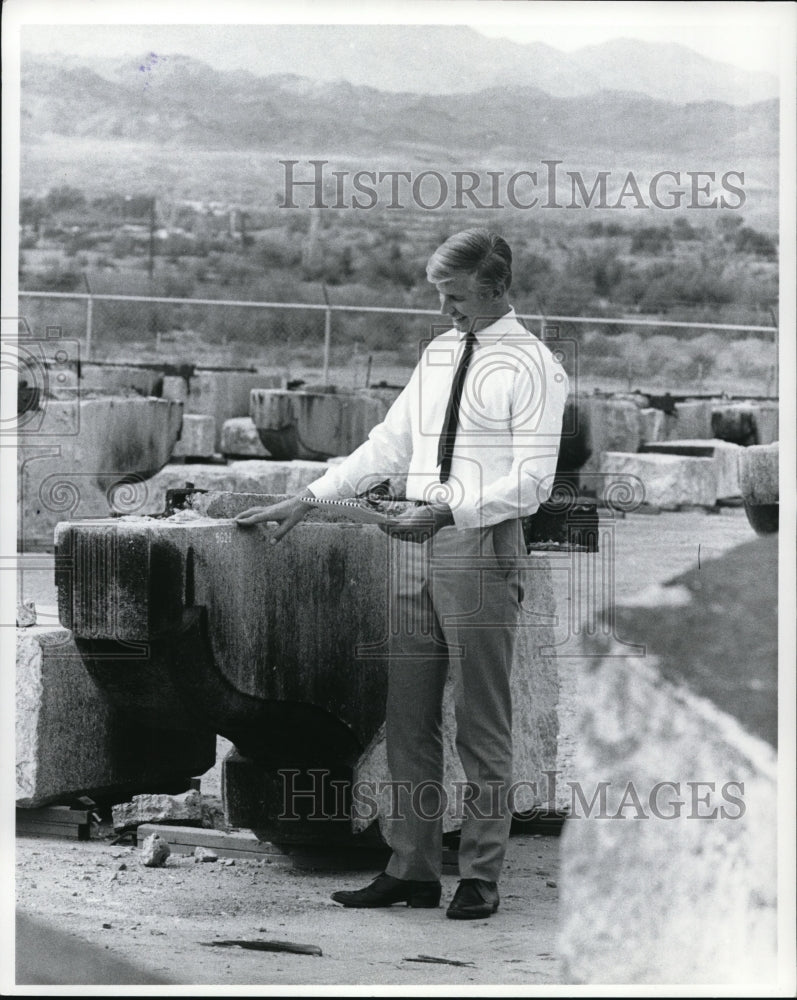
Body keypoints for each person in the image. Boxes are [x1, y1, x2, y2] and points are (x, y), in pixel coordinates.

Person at [235, 229, 568, 919]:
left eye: (455, 297)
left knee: (481, 720)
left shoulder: (534, 366)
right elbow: (390, 442)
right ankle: (411, 867)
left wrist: (448, 515)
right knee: (408, 717)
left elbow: (532, 482)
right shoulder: (440, 352)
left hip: (477, 541)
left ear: (497, 288)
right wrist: (310, 495)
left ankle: (479, 873)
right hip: (411, 538)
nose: (445, 311)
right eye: (438, 297)